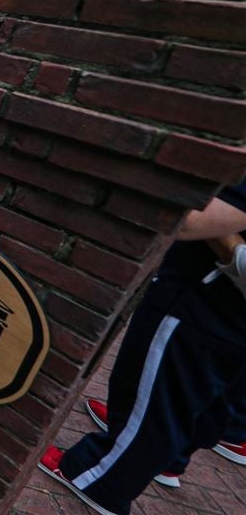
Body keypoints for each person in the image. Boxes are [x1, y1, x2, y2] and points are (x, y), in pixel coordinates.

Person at [40, 182, 246, 515]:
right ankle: (162, 458)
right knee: (195, 399)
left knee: (158, 391)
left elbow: (195, 220)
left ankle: (100, 478)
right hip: (228, 312)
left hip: (206, 298)